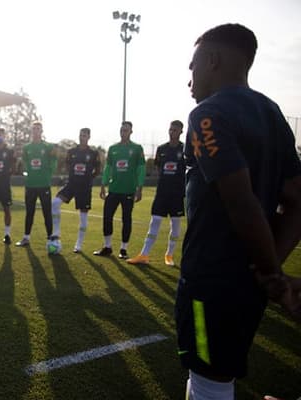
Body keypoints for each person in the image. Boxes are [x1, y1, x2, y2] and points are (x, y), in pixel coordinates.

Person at [175, 24, 301, 399]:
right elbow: (297, 199)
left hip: (209, 282)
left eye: (193, 66)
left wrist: (271, 272)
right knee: (217, 371)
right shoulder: (272, 112)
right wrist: (269, 269)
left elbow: (241, 201)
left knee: (207, 378)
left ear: (212, 60)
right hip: (248, 285)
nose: (190, 80)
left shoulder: (206, 115)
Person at [127, 121, 185, 266]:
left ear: (181, 132)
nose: (172, 132)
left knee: (176, 224)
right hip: (162, 192)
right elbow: (159, 168)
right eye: (171, 129)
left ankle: (169, 255)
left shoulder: (185, 149)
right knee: (155, 222)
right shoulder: (161, 149)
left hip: (177, 193)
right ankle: (144, 254)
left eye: (175, 130)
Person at [93, 121, 145, 259]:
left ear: (131, 132)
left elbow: (141, 169)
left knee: (126, 219)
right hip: (114, 190)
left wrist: (139, 188)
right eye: (122, 130)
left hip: (129, 190)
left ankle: (123, 249)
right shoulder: (113, 148)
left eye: (126, 130)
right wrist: (103, 184)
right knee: (107, 217)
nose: (123, 132)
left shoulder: (137, 148)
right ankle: (107, 247)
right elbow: (108, 168)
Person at [51, 128, 100, 253]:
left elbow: (98, 170)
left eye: (84, 135)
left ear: (89, 137)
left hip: (85, 187)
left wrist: (88, 178)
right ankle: (56, 233)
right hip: (71, 184)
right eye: (80, 135)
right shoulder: (71, 151)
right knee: (55, 203)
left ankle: (78, 244)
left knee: (83, 217)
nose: (82, 137)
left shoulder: (93, 153)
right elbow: (67, 165)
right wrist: (73, 175)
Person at [15, 121, 57, 247]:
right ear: (31, 131)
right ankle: (26, 237)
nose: (36, 131)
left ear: (41, 131)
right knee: (29, 212)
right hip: (30, 185)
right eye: (34, 129)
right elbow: (25, 163)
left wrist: (49, 172)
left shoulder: (48, 147)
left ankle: (51, 238)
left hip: (44, 184)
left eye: (38, 129)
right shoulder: (26, 148)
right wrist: (26, 172)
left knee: (46, 212)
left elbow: (54, 161)